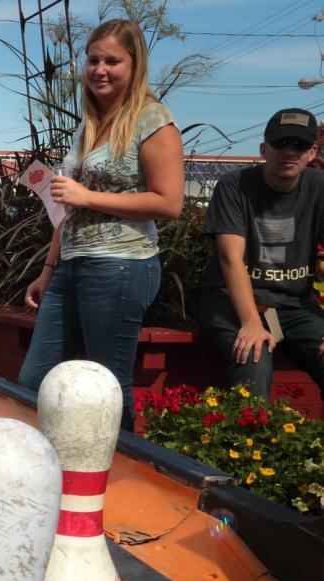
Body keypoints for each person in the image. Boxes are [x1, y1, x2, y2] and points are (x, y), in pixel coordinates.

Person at [18, 18, 184, 431]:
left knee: (107, 386)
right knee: (34, 380)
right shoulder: (89, 125)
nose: (100, 69)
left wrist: (87, 196)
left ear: (134, 65)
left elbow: (169, 203)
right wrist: (49, 269)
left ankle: (119, 476)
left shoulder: (153, 120)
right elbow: (67, 205)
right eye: (93, 60)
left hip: (120, 266)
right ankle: (48, 472)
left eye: (112, 60)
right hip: (73, 266)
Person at [198, 108, 324, 398]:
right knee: (253, 358)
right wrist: (251, 323)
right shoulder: (234, 185)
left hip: (293, 304)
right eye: (280, 143)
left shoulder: (319, 187)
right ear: (264, 148)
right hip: (233, 301)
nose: (289, 152)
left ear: (312, 151)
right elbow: (231, 257)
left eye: (299, 145)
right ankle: (246, 442)